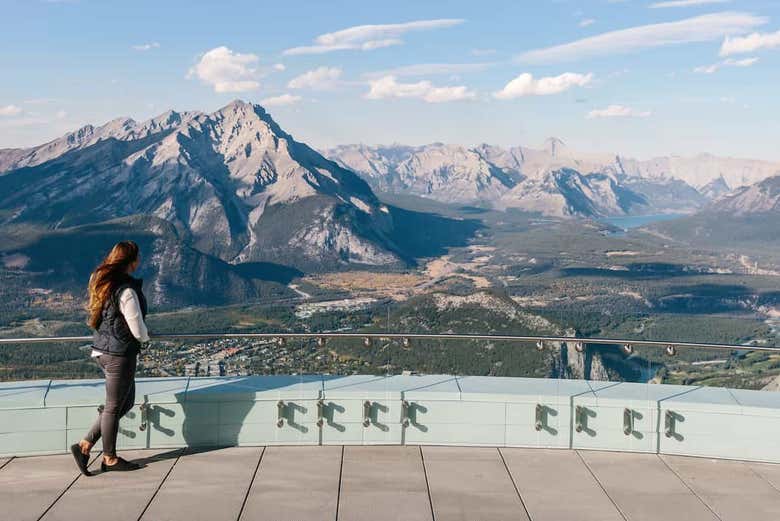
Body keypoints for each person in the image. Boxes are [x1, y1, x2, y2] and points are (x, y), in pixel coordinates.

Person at [70, 240, 149, 475]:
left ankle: (85, 445)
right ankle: (109, 458)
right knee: (115, 407)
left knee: (125, 402)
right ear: (131, 261)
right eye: (138, 257)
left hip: (102, 350)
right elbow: (136, 326)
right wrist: (145, 338)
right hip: (119, 354)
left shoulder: (102, 282)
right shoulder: (125, 290)